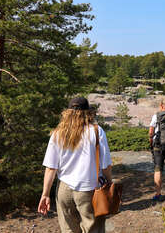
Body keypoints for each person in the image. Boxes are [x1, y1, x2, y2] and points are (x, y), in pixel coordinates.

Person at [38, 97, 112, 233]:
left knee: (68, 230)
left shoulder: (58, 133)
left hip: (64, 189)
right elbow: (105, 165)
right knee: (93, 229)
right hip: (89, 188)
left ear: (67, 112)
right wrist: (109, 183)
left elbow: (51, 168)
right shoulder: (96, 131)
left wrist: (45, 194)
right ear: (88, 112)